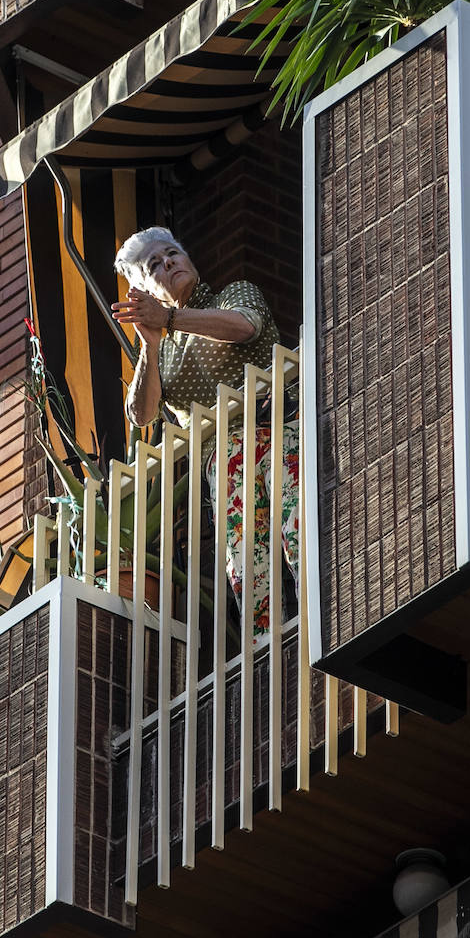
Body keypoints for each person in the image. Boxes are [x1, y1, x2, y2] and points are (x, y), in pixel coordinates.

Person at [112, 227, 299, 634]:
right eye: (154, 265)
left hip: (277, 432)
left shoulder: (232, 295)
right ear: (143, 290)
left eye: (173, 253)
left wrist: (172, 318)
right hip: (226, 464)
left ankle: (323, 612)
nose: (169, 263)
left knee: (298, 531)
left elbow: (245, 326)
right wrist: (150, 344)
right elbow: (140, 414)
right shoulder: (164, 348)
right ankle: (267, 648)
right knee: (248, 564)